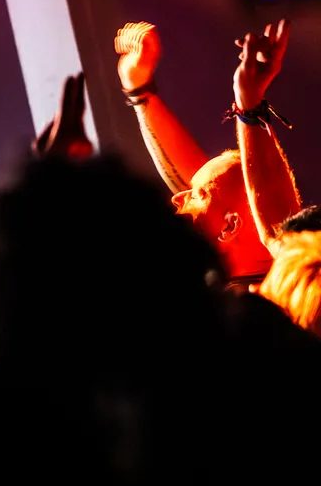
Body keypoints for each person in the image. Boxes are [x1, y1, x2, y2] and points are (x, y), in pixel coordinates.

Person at [114, 21, 299, 288]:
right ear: (229, 227)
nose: (177, 196)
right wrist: (139, 90)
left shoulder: (287, 293)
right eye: (195, 193)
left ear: (230, 227)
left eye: (198, 193)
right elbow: (275, 227)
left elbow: (280, 237)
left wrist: (249, 104)